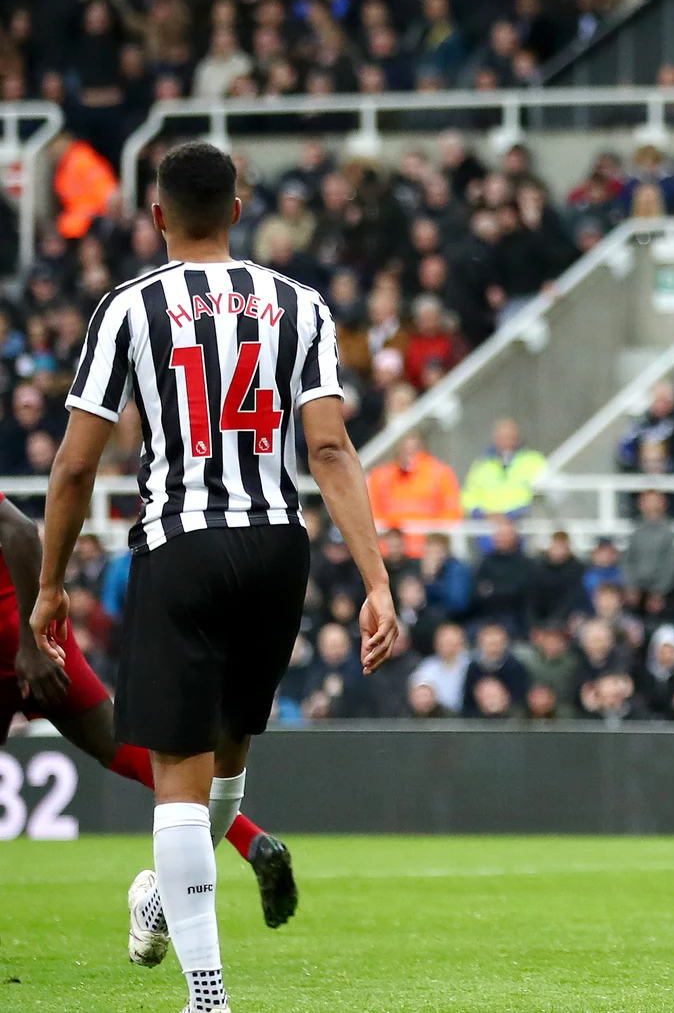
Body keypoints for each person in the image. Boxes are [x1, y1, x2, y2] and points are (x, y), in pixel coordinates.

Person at [32, 141, 398, 1013]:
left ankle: (207, 995)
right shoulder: (298, 304)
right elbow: (331, 449)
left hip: (181, 545)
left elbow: (76, 468)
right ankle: (162, 898)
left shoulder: (127, 309)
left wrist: (49, 586)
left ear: (157, 216)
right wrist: (379, 579)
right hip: (277, 547)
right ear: (239, 209)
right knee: (228, 755)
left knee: (178, 781)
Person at [0, 497, 299, 927]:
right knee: (128, 748)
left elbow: (21, 529)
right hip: (38, 633)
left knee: (147, 752)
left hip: (26, 638)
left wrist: (28, 645)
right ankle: (252, 842)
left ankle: (205, 977)